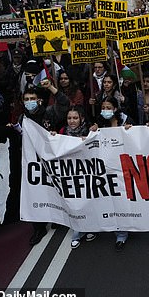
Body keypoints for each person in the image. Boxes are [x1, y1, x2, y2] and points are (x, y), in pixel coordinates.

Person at [18, 79, 70, 245]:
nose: (29, 102)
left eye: (31, 99)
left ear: (38, 100)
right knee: (34, 191)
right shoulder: (22, 118)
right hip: (31, 162)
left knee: (54, 188)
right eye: (26, 100)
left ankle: (56, 217)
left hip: (49, 159)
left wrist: (52, 89)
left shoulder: (49, 112)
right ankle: (38, 228)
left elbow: (65, 104)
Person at [52, 106, 98, 250]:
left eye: (75, 118)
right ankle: (77, 232)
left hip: (86, 172)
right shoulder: (62, 132)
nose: (72, 121)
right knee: (74, 202)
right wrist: (53, 137)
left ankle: (90, 228)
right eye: (69, 118)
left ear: (81, 119)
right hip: (69, 173)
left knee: (88, 201)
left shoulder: (89, 131)